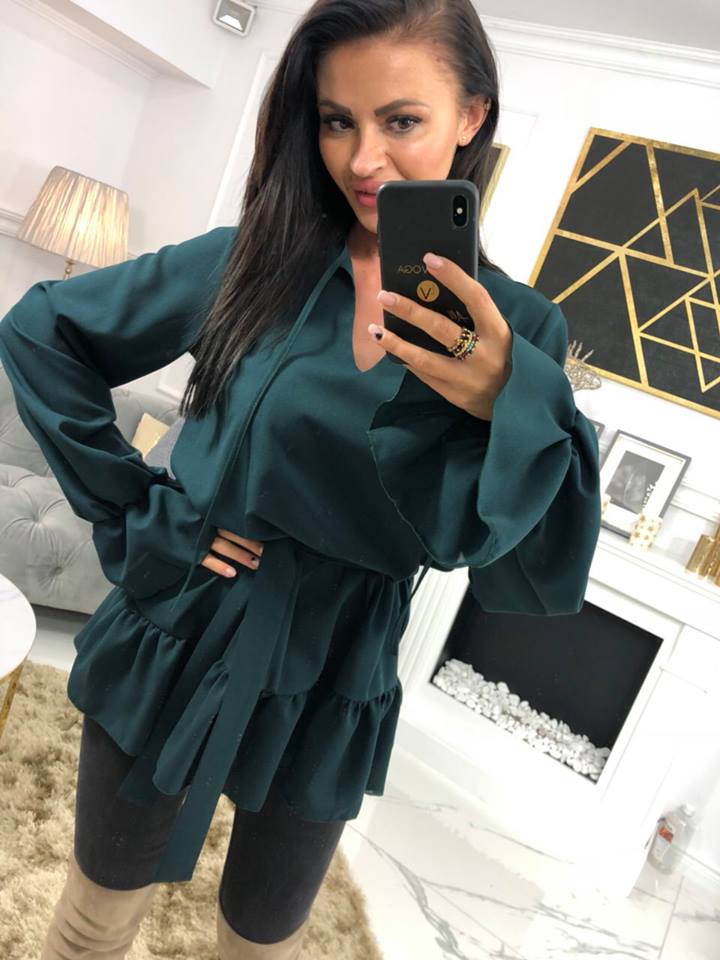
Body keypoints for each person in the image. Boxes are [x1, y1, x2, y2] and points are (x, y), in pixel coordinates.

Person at [0, 0, 602, 957]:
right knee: (89, 922)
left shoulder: (518, 331)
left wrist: (507, 398)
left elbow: (518, 563)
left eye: (401, 120)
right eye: (336, 120)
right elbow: (41, 331)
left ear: (472, 115)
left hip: (339, 668)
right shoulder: (256, 260)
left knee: (263, 943)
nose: (364, 159)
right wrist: (141, 508)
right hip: (186, 620)